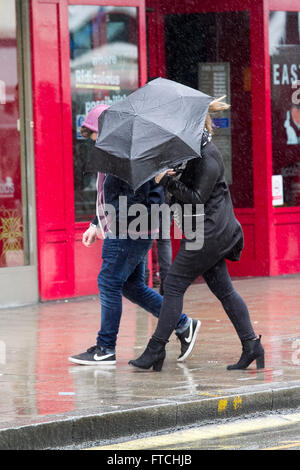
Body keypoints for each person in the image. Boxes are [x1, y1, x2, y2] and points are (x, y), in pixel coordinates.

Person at [129, 98, 265, 372]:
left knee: (174, 285)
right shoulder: (194, 153)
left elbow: (197, 198)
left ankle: (155, 350)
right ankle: (251, 345)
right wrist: (170, 177)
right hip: (205, 230)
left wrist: (166, 181)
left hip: (210, 231)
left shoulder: (209, 155)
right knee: (224, 290)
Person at [68, 104, 201, 366]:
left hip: (129, 230)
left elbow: (141, 197)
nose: (95, 143)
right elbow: (111, 195)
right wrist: (97, 224)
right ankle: (183, 324)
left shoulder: (129, 153)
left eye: (95, 136)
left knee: (108, 282)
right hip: (130, 227)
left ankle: (105, 348)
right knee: (131, 286)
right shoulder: (118, 151)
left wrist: (116, 217)